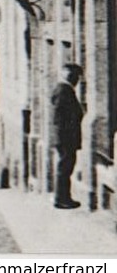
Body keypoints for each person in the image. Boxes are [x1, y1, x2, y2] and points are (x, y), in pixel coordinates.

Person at [51, 63, 84, 209]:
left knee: (65, 167)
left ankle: (64, 197)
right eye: (76, 77)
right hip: (66, 138)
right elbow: (60, 117)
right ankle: (62, 199)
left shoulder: (62, 90)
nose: (77, 81)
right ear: (72, 76)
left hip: (64, 137)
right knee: (65, 168)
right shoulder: (64, 91)